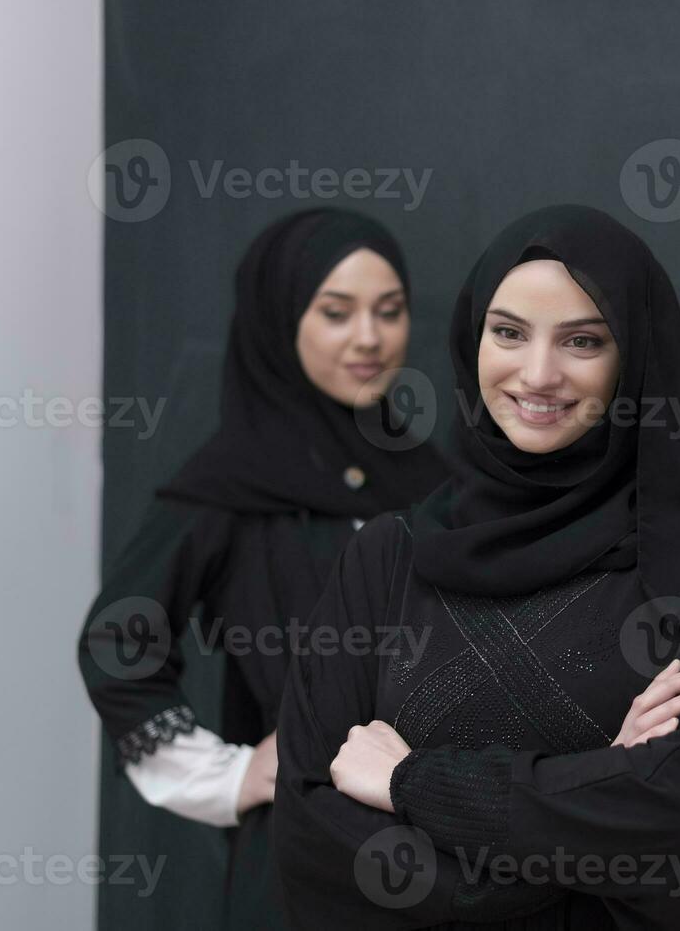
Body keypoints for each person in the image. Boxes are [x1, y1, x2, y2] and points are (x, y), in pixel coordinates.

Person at [272, 204, 680, 930]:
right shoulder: (388, 556)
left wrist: (413, 784)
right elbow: (312, 831)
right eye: (507, 332)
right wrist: (585, 809)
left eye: (582, 341)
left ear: (634, 359)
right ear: (471, 337)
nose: (538, 374)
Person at [78, 208, 449, 929]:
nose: (369, 338)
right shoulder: (233, 486)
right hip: (304, 863)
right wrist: (229, 777)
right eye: (336, 313)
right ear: (282, 322)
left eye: (389, 311)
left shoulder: (435, 484)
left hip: (448, 846)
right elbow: (116, 642)